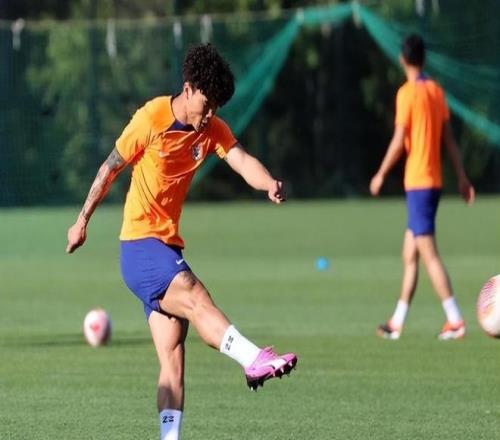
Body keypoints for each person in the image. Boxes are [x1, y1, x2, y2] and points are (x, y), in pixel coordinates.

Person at [66, 43, 297, 440]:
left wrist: (268, 184)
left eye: (216, 108)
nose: (209, 115)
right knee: (193, 293)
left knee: (173, 359)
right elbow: (109, 169)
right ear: (188, 89)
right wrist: (81, 221)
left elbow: (242, 160)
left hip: (165, 248)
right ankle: (252, 358)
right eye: (206, 105)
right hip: (140, 246)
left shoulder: (211, 129)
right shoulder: (151, 117)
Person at [369, 34, 475, 341]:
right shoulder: (436, 91)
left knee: (428, 253)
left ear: (402, 59)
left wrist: (380, 174)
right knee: (410, 253)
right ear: (424, 59)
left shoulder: (406, 94)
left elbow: (398, 140)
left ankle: (455, 320)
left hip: (418, 182)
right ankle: (397, 322)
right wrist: (462, 177)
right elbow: (449, 139)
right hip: (434, 181)